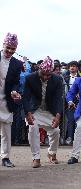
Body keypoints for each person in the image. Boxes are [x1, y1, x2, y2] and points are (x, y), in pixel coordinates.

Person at [23, 56, 63, 168]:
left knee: (56, 131)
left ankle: (51, 153)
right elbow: (25, 97)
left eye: (48, 75)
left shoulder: (57, 79)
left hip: (50, 110)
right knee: (33, 128)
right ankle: (36, 157)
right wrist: (28, 112)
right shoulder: (30, 78)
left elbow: (59, 99)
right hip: (34, 110)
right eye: (43, 74)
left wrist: (58, 115)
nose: (45, 77)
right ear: (39, 69)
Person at [0, 33, 22, 167]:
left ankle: (5, 157)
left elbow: (15, 82)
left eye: (13, 49)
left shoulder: (17, 64)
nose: (10, 51)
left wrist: (15, 91)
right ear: (3, 44)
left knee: (6, 131)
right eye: (8, 47)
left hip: (6, 100)